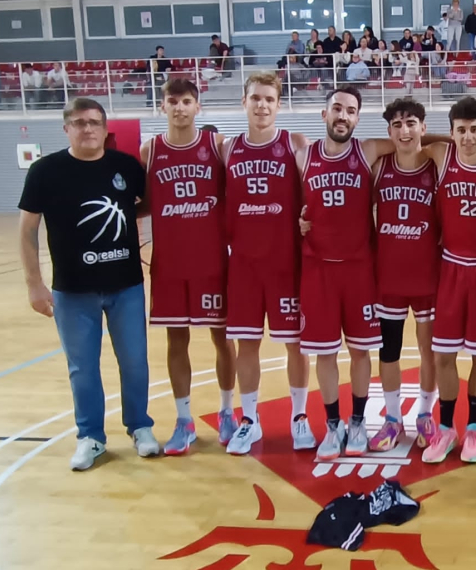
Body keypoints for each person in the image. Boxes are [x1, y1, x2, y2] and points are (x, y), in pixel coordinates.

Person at [18, 98, 159, 471]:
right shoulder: (45, 171)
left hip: (125, 285)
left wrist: (129, 216)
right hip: (72, 289)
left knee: (134, 362)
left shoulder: (125, 167)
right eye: (79, 123)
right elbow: (27, 229)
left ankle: (140, 427)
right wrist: (34, 284)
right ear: (67, 128)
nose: (88, 129)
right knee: (82, 367)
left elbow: (147, 204)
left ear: (104, 128)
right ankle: (91, 436)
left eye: (94, 122)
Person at [139, 79, 236, 456]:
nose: (179, 107)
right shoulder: (151, 151)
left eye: (186, 101)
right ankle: (184, 420)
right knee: (175, 341)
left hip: (212, 261)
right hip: (170, 264)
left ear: (199, 107)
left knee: (221, 338)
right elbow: (144, 203)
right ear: (162, 106)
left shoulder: (217, 146)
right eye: (172, 101)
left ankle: (227, 412)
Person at [220, 73, 311, 455]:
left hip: (285, 263)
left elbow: (314, 193)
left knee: (295, 345)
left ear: (279, 104)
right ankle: (250, 420)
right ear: (244, 102)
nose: (262, 105)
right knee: (247, 345)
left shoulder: (294, 143)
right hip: (244, 265)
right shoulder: (227, 148)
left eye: (269, 99)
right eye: (255, 98)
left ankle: (300, 417)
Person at [293, 87, 386, 461]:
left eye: (350, 110)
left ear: (358, 118)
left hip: (360, 269)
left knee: (361, 351)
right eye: (337, 109)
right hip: (318, 270)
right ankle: (333, 426)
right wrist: (297, 221)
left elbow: (419, 141)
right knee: (325, 353)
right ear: (324, 114)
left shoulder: (368, 151)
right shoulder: (303, 155)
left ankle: (358, 422)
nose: (343, 115)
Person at [415, 97, 476, 464]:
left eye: (474, 130)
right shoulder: (442, 155)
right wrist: (448, 138)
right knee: (443, 356)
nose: (468, 137)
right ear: (452, 134)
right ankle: (447, 427)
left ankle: (473, 430)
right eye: (461, 131)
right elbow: (415, 141)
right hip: (450, 268)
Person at [368, 99, 442, 451]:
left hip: (428, 275)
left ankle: (426, 415)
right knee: (389, 352)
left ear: (423, 128)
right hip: (389, 277)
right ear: (389, 132)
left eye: (412, 123)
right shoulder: (378, 167)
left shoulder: (436, 166)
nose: (405, 130)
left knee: (429, 351)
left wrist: (428, 143)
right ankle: (393, 420)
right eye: (397, 125)